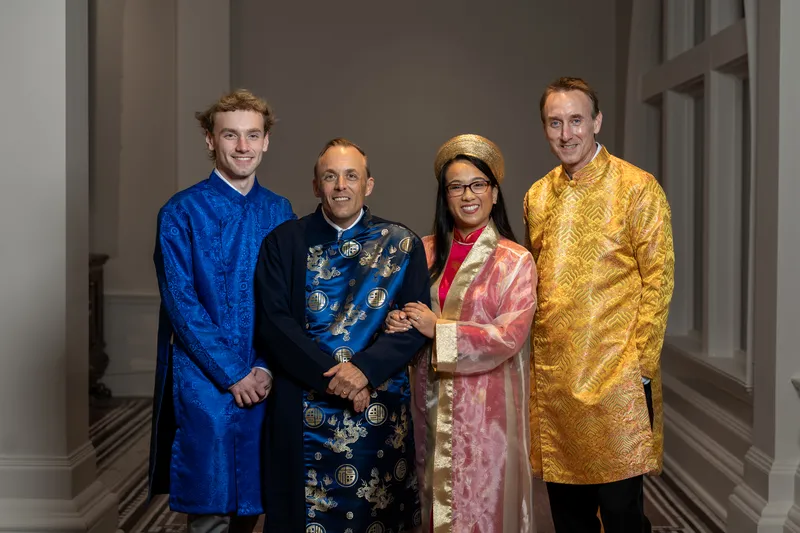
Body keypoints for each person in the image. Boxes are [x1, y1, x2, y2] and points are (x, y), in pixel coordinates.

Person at [254, 138, 430, 532]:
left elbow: (413, 328)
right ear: (316, 186)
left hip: (377, 408)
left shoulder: (401, 244)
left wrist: (363, 370)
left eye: (351, 176)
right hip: (303, 402)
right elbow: (274, 325)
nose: (340, 186)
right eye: (330, 177)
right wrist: (339, 379)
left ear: (368, 185)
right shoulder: (283, 242)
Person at [524, 77, 675, 533]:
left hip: (617, 381)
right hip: (555, 384)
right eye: (555, 123)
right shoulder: (537, 195)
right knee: (569, 517)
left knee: (623, 514)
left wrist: (640, 366)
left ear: (596, 122)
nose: (566, 134)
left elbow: (659, 279)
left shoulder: (637, 188)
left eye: (575, 120)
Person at [148, 89, 295, 533]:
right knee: (210, 507)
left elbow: (287, 300)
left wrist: (265, 368)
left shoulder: (280, 211)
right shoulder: (180, 211)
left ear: (266, 140)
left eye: (253, 135)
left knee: (256, 503)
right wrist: (233, 373)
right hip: (205, 378)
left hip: (266, 374)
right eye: (230, 135)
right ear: (210, 140)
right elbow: (181, 303)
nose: (243, 146)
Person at [385, 134, 538, 533]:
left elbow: (509, 336)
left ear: (494, 191)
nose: (468, 195)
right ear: (444, 195)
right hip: (428, 402)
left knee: (480, 509)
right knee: (428, 499)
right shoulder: (424, 250)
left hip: (488, 414)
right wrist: (398, 321)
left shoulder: (515, 261)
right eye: (456, 186)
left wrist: (440, 329)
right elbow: (406, 313)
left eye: (477, 184)